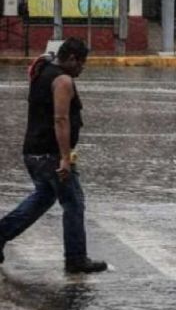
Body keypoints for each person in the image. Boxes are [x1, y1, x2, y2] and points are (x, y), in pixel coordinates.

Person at [0, 38, 108, 274]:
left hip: (33, 151)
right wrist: (65, 158)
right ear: (71, 59)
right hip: (50, 154)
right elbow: (60, 119)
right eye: (81, 63)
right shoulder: (62, 80)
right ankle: (76, 258)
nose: (82, 69)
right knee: (74, 202)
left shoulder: (43, 70)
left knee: (43, 197)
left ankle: (2, 233)